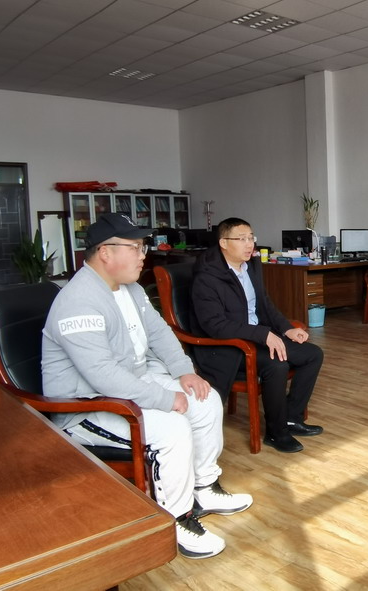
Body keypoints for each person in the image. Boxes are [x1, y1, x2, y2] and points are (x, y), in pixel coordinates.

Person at [42, 213, 252, 560]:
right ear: (105, 252)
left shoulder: (131, 289)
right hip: (87, 406)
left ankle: (204, 486)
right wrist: (164, 398)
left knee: (205, 399)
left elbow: (158, 334)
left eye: (143, 246)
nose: (144, 255)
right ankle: (176, 519)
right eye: (136, 247)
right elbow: (102, 374)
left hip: (133, 382)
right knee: (171, 428)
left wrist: (184, 372)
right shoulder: (78, 301)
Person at [190, 217, 324, 454]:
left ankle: (291, 418)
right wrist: (263, 334)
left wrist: (286, 328)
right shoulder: (207, 277)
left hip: (256, 337)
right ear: (223, 243)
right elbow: (215, 326)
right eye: (241, 239)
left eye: (251, 238)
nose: (249, 244)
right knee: (277, 364)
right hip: (227, 346)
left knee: (312, 354)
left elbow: (265, 304)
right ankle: (276, 433)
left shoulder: (251, 265)